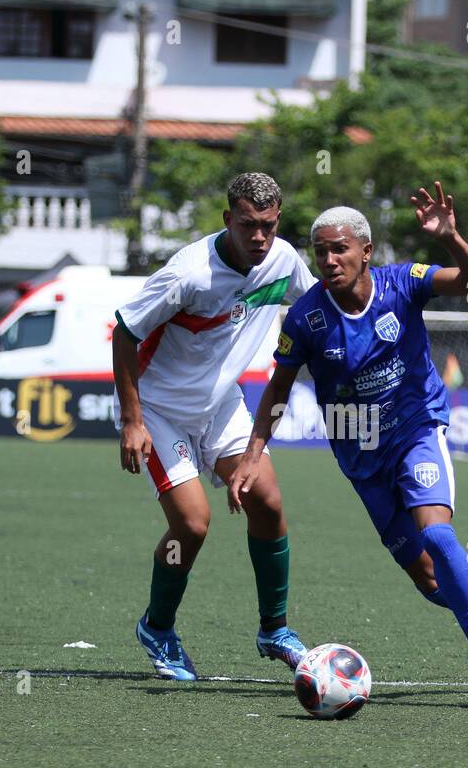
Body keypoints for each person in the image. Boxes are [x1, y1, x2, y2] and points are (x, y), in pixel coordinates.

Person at [230, 183, 468, 709]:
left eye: (339, 248)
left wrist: (452, 238)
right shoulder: (306, 319)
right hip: (360, 457)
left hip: (417, 429)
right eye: (320, 250)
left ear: (366, 251)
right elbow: (276, 390)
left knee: (437, 535)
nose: (329, 259)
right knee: (433, 584)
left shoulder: (404, 283)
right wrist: (252, 455)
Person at [112, 173, 318, 679]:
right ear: (228, 219)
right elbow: (124, 333)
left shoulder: (284, 259)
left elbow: (318, 312)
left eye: (269, 226)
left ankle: (274, 629)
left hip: (221, 405)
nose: (259, 238)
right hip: (160, 410)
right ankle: (157, 627)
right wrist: (133, 420)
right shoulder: (188, 274)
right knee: (193, 523)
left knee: (267, 501)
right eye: (248, 225)